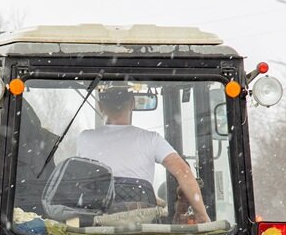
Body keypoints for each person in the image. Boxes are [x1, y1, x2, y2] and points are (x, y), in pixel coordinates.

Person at [76, 86, 210, 222]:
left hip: (95, 228)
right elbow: (183, 171)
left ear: (100, 106)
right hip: (142, 230)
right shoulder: (151, 139)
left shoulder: (85, 138)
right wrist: (202, 216)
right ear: (132, 103)